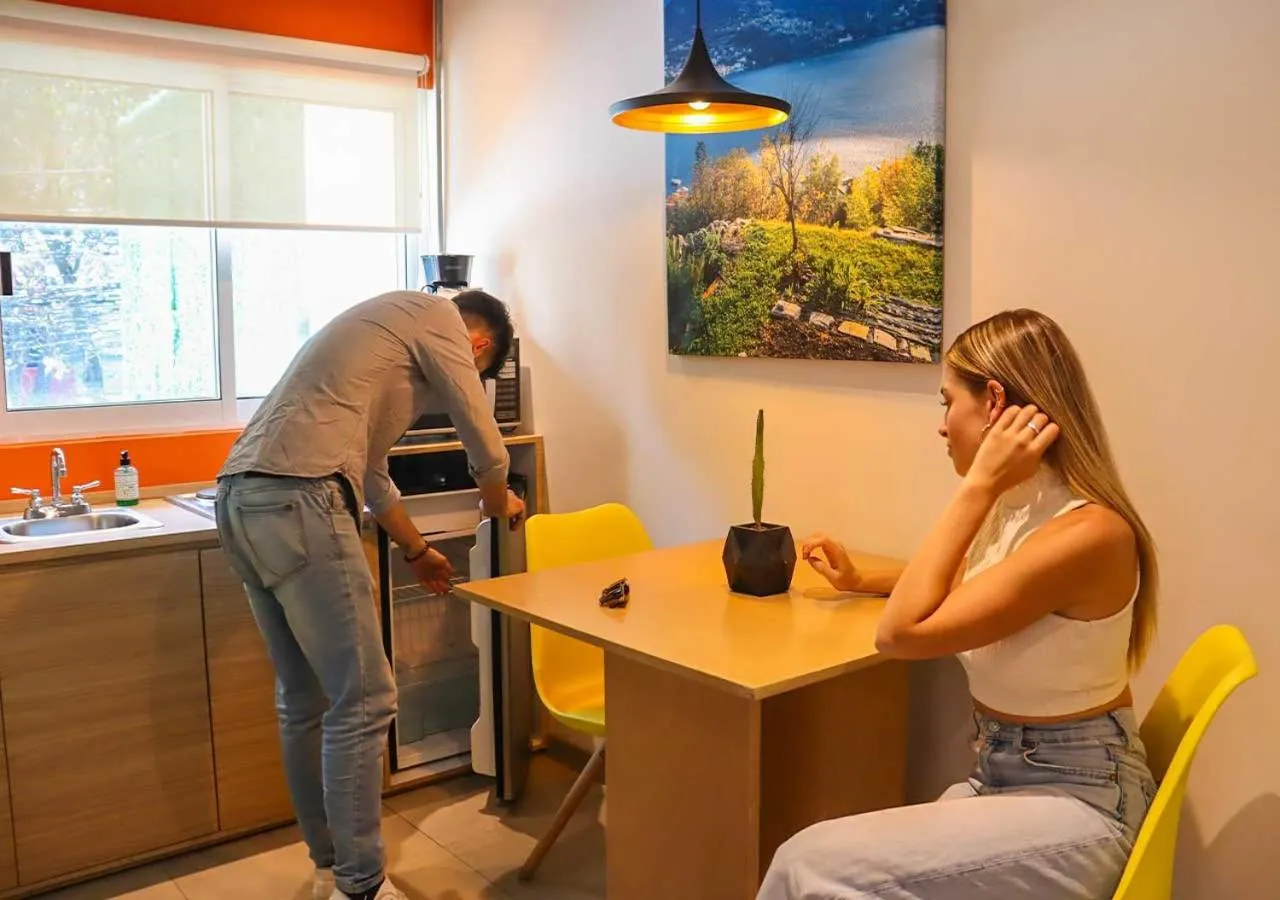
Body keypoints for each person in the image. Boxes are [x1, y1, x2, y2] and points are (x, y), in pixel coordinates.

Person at [759, 309, 1159, 900]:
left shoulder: (1087, 534)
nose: (942, 426)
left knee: (805, 864)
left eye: (947, 402)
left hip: (1082, 799)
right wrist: (863, 579)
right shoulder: (1026, 511)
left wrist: (978, 485)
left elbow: (898, 637)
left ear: (993, 402)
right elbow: (974, 589)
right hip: (1010, 772)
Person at [214, 289, 526, 900]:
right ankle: (360, 889)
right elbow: (484, 439)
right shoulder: (440, 318)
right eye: (474, 372)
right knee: (366, 700)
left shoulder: (379, 338)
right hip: (302, 498)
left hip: (241, 501)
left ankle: (331, 866)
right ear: (479, 347)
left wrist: (415, 549)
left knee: (303, 701)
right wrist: (498, 503)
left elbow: (372, 473)